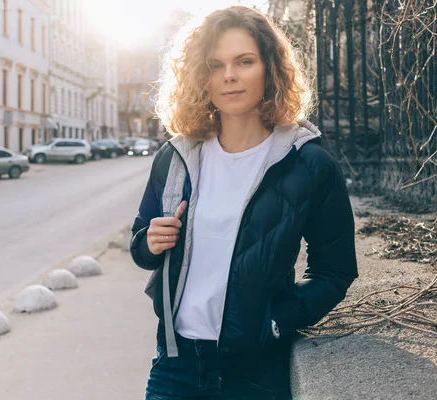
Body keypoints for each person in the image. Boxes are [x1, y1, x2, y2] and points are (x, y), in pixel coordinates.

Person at [130, 5, 358, 399]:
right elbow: (141, 243)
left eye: (245, 61)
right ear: (200, 76)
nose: (229, 75)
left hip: (255, 373)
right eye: (215, 64)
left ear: (270, 69)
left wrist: (274, 323)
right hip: (175, 366)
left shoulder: (307, 162)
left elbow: (335, 271)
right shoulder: (177, 157)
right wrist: (148, 242)